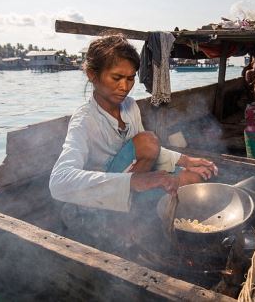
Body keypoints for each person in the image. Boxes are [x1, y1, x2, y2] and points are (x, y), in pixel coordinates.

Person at [49, 34, 218, 213]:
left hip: (133, 182)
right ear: (92, 75)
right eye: (116, 78)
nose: (124, 86)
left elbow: (148, 153)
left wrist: (186, 160)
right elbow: (59, 181)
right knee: (148, 140)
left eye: (130, 78)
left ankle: (135, 211)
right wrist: (134, 181)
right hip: (100, 201)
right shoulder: (84, 120)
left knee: (192, 179)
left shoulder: (130, 106)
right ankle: (121, 222)